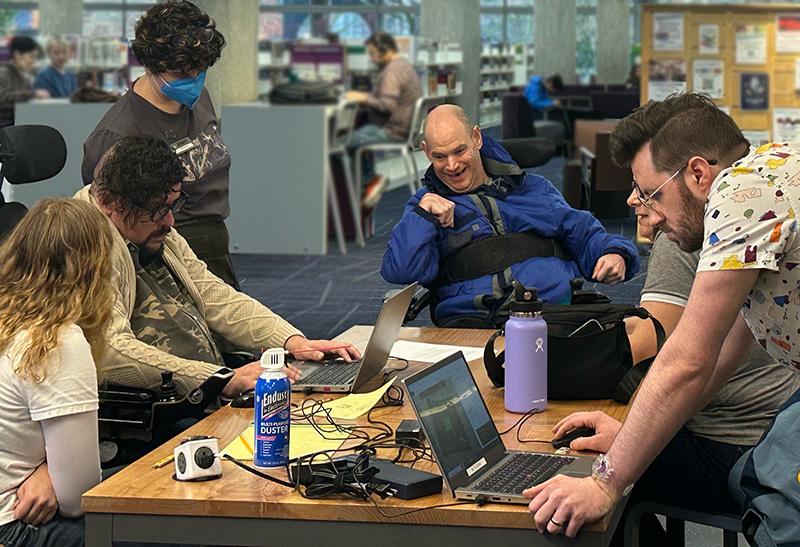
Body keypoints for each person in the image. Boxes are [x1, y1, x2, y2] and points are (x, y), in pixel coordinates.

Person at [523, 92, 800, 537]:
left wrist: (605, 481)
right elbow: (722, 348)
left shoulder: (738, 197)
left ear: (697, 173)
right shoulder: (770, 171)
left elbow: (685, 361)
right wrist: (634, 434)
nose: (647, 216)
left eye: (652, 193)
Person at [552, 200, 800, 545]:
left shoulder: (685, 236)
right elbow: (720, 355)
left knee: (586, 477)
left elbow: (653, 346)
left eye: (645, 187)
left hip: (739, 453)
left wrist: (609, 472)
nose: (633, 200)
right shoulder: (762, 219)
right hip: (780, 433)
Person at [76, 134, 360, 401]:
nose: (170, 222)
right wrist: (220, 380)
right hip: (167, 404)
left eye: (172, 206)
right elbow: (111, 351)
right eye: (157, 210)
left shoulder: (148, 226)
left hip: (204, 387)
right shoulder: (81, 244)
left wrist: (292, 341)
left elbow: (212, 294)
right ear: (109, 202)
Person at [381, 105, 639, 327]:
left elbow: (584, 233)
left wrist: (615, 253)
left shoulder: (533, 188)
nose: (452, 165)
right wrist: (422, 215)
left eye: (459, 151)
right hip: (474, 325)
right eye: (439, 156)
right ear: (427, 153)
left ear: (477, 138)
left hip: (551, 315)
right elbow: (400, 271)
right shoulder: (425, 207)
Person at [82, 0, 240, 289]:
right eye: (180, 75)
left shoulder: (196, 97)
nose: (192, 80)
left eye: (199, 70)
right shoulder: (116, 134)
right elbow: (112, 224)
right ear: (148, 65)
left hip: (214, 238)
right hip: (166, 251)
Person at [0, 198, 115, 547]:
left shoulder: (9, 323)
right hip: (15, 523)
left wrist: (49, 473)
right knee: (174, 528)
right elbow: (78, 497)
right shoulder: (56, 340)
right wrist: (55, 477)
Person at [344, 31, 422, 206]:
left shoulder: (392, 71)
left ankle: (362, 191)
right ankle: (369, 182)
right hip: (403, 127)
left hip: (392, 130)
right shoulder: (403, 66)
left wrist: (361, 98)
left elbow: (388, 106)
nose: (371, 58)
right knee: (358, 135)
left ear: (385, 50)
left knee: (346, 141)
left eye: (373, 53)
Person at [0, 36, 50, 128]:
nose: (33, 61)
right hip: (5, 128)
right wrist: (33, 94)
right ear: (17, 54)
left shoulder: (20, 75)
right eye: (31, 57)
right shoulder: (4, 73)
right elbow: (3, 99)